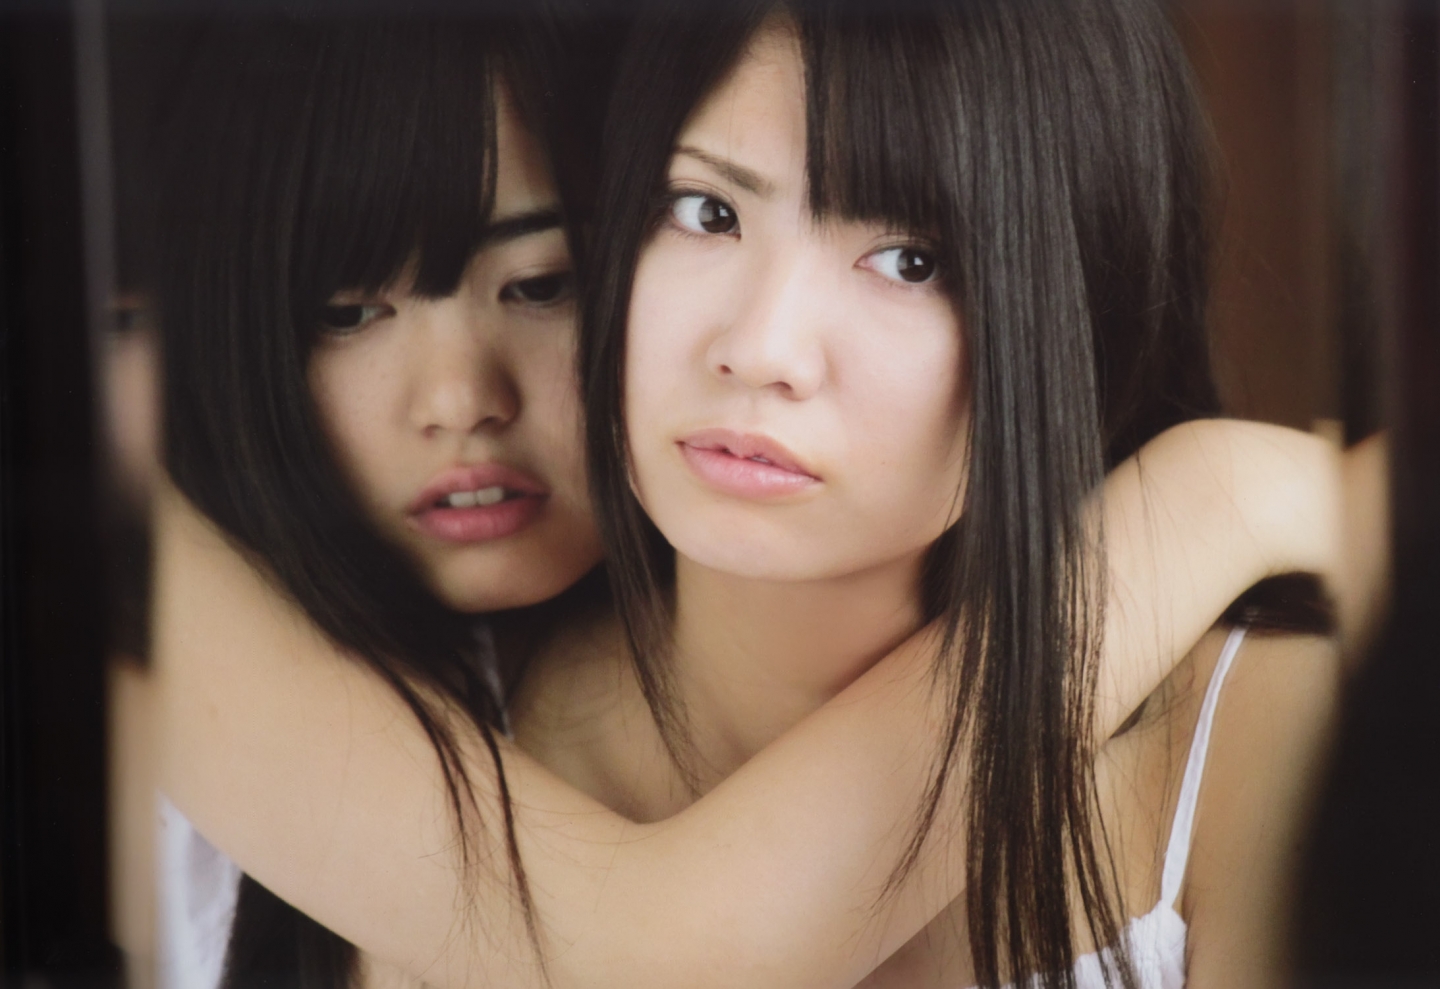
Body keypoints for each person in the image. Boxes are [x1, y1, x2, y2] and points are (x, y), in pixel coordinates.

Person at [152, 2, 1348, 987]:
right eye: (706, 211)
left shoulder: (1264, 736)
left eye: (909, 260)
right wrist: (1229, 489)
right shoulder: (392, 703)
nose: (761, 347)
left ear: (1078, 307)